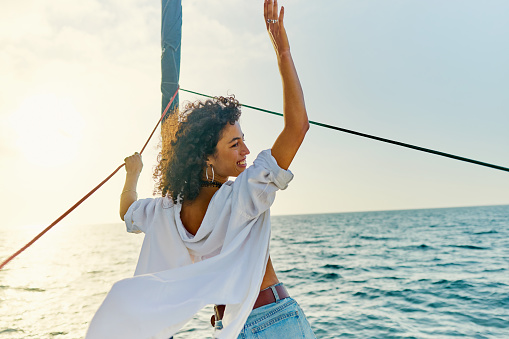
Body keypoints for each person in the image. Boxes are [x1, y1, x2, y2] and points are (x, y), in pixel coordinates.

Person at [86, 1, 314, 338]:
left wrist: (132, 174)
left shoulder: (166, 211)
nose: (246, 151)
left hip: (230, 327)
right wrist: (283, 52)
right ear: (207, 156)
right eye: (234, 143)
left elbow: (127, 212)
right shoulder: (246, 194)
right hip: (272, 321)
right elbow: (298, 128)